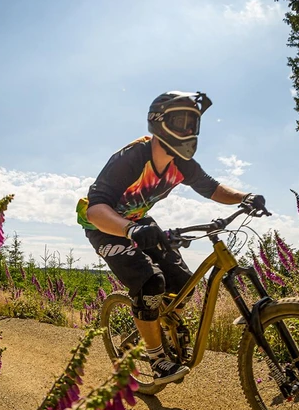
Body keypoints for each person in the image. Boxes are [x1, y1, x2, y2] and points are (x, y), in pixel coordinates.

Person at [76, 91, 264, 385]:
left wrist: (245, 197)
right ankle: (157, 359)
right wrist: (129, 230)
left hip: (138, 222)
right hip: (106, 225)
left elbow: (212, 188)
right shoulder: (132, 158)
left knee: (183, 284)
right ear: (158, 122)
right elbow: (96, 208)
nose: (187, 130)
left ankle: (156, 321)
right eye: (180, 121)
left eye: (193, 123)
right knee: (151, 283)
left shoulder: (181, 162)